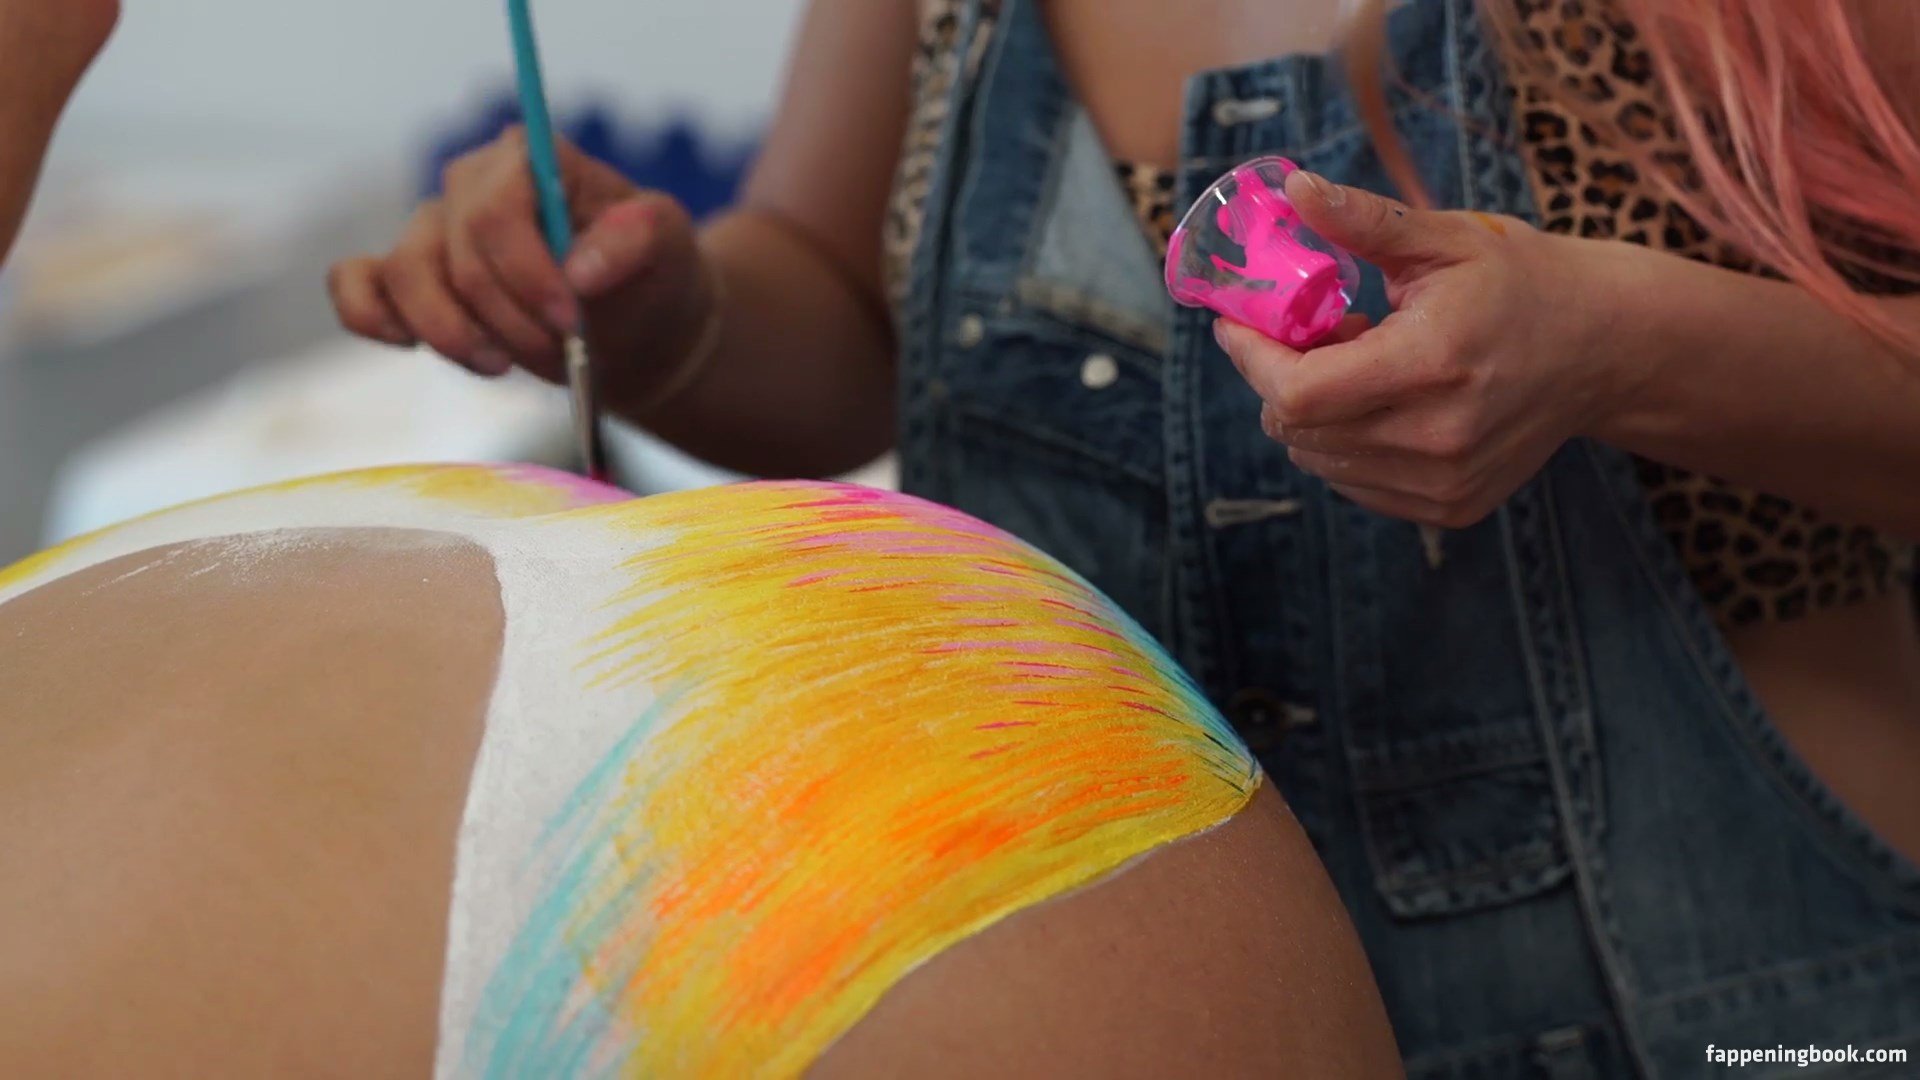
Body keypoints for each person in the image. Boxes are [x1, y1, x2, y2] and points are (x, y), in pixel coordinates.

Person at [330, 0, 1920, 1073]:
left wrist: (1627, 349)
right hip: (1126, 1023)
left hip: (1734, 1004)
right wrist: (667, 315)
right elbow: (840, 305)